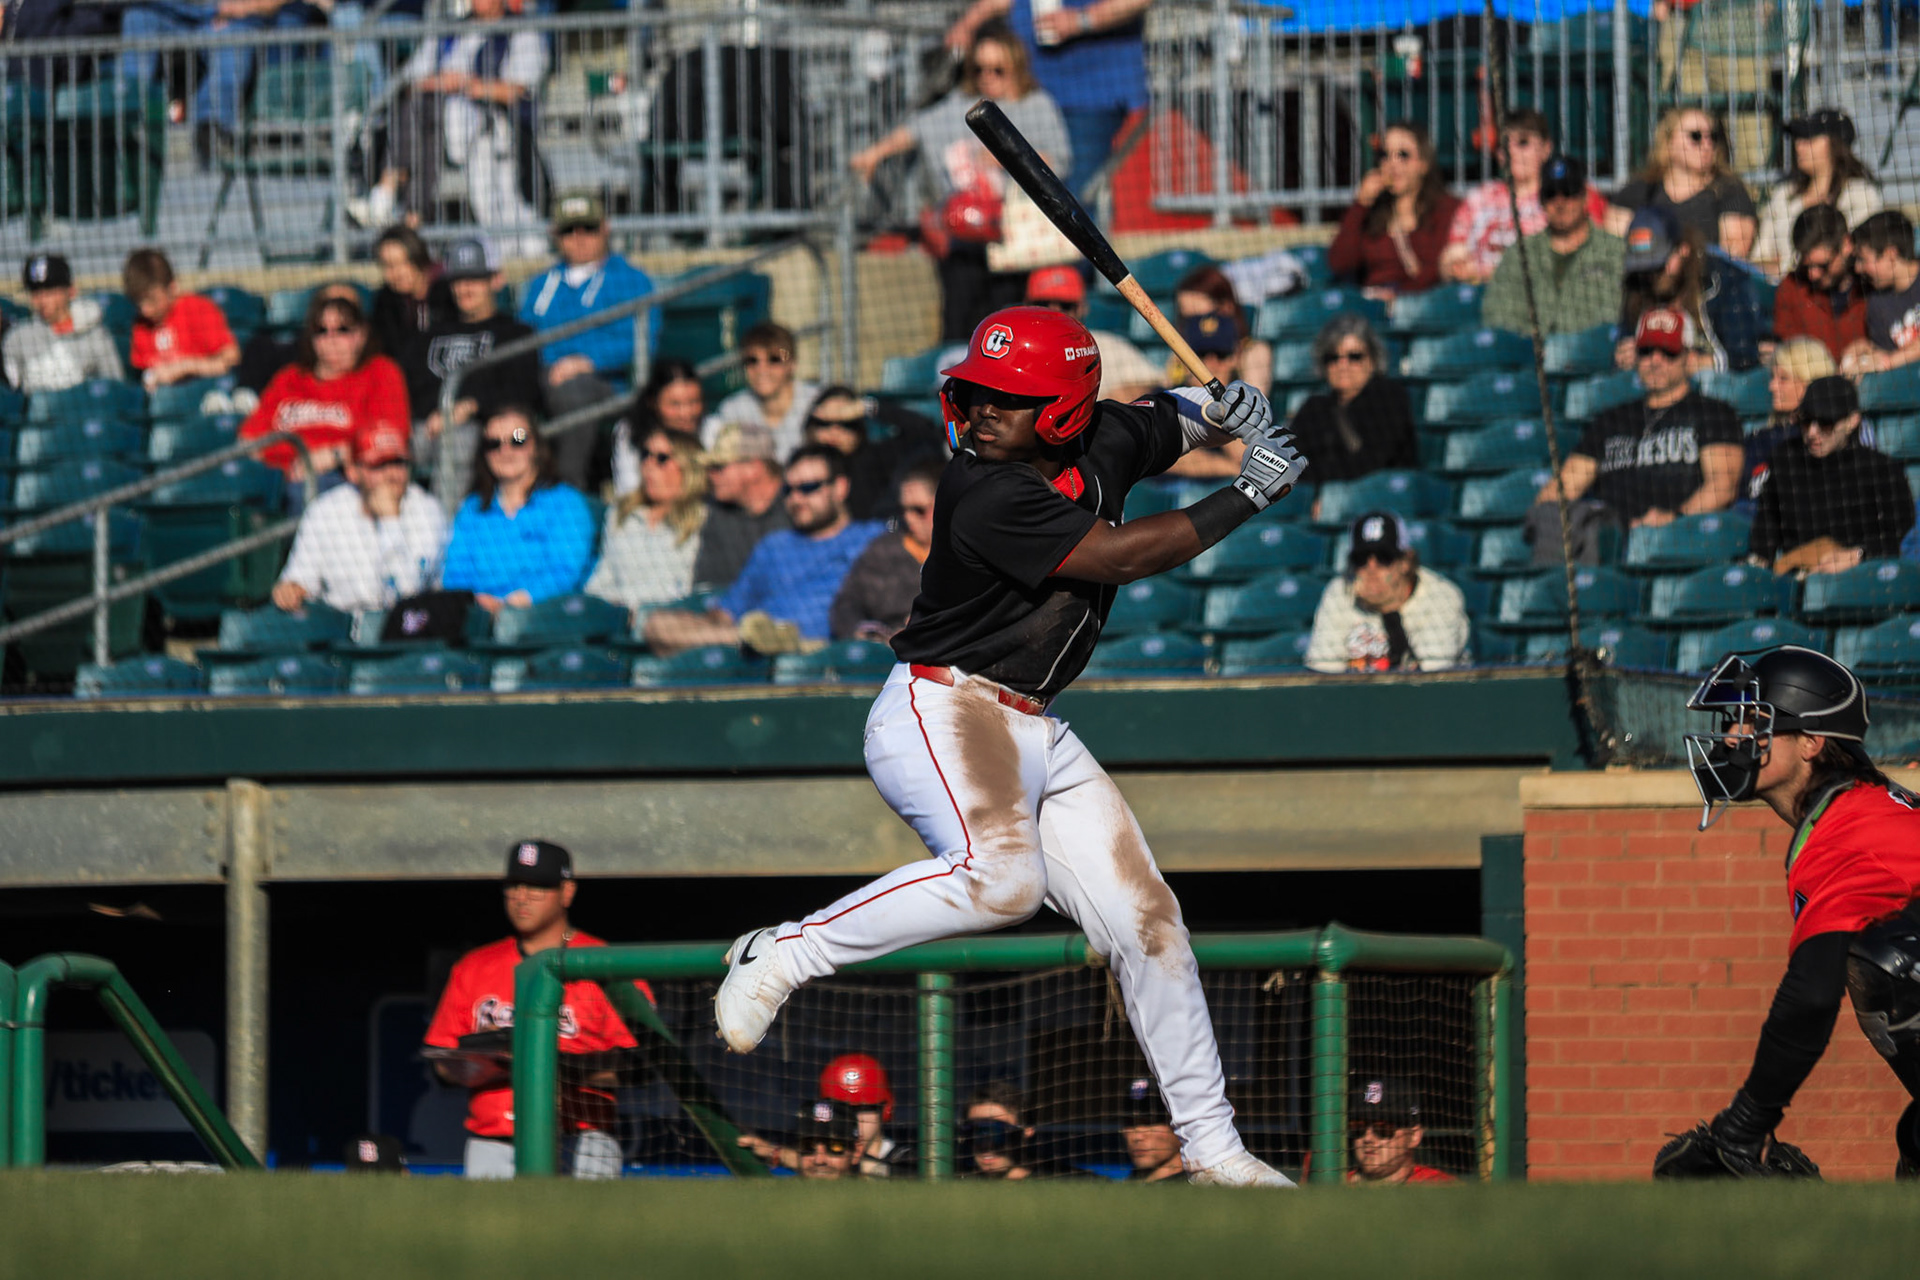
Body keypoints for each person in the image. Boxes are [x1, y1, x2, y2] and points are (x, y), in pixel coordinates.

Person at [708, 304, 1306, 1187]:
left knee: (1153, 924)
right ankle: (786, 952)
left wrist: (1223, 409)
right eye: (977, 392)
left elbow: (1163, 420)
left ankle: (1215, 1151)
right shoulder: (985, 488)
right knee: (1005, 881)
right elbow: (1121, 556)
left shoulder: (1095, 433)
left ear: (1063, 410)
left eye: (1007, 397)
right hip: (941, 709)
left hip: (1033, 721)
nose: (981, 410)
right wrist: (1247, 490)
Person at [1659, 646, 1920, 1181]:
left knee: (1884, 958)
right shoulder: (1860, 809)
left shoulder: (1846, 833)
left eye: (1753, 721)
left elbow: (1811, 995)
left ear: (1811, 743)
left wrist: (1746, 1122)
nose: (1732, 737)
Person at [423, 839, 652, 1180]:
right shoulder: (474, 966)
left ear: (567, 892)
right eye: (514, 885)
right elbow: (441, 1062)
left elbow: (643, 1065)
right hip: (494, 1141)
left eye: (537, 886)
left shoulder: (604, 961)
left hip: (582, 1137)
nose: (522, 896)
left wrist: (549, 1064)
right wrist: (488, 1060)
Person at [850, 24, 1070, 343]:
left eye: (998, 69)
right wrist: (875, 154)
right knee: (959, 323)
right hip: (967, 239)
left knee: (1007, 320)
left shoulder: (1036, 105)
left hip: (1015, 237)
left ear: (1015, 68)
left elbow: (1060, 161)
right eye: (980, 69)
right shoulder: (961, 105)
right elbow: (918, 129)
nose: (987, 77)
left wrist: (1010, 157)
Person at [1533, 307, 1743, 561]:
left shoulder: (1713, 413)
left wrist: (1674, 517)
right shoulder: (1612, 420)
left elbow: (1723, 486)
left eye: (1668, 352)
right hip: (1608, 545)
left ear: (1688, 356)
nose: (1655, 360)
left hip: (1679, 542)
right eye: (1646, 351)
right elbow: (1564, 486)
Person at [642, 445, 883, 656]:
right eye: (789, 491)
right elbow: (724, 615)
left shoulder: (874, 538)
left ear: (840, 488)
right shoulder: (773, 546)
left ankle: (786, 642)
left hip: (835, 652)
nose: (797, 499)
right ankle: (769, 640)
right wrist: (730, 631)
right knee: (656, 624)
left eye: (808, 487)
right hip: (756, 648)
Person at [350, 0, 546, 244]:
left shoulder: (521, 31)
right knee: (420, 121)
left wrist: (465, 83)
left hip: (491, 122)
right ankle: (409, 217)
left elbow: (516, 90)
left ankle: (388, 194)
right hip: (436, 121)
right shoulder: (448, 30)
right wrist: (442, 83)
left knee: (421, 117)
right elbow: (412, 80)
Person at [518, 190, 660, 485]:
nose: (579, 238)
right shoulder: (541, 284)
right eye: (569, 230)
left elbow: (643, 340)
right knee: (509, 395)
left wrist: (586, 361)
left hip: (608, 382)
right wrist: (554, 365)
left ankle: (569, 489)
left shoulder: (631, 280)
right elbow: (523, 337)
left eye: (589, 229)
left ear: (605, 229)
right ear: (554, 235)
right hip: (545, 376)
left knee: (574, 393)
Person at [943, 0, 1147, 202]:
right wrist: (968, 24)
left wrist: (1081, 20)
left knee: (1073, 201)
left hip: (1092, 93)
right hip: (1030, 93)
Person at [240, 293, 410, 498]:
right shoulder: (290, 378)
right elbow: (249, 439)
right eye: (321, 331)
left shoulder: (380, 372)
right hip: (279, 478)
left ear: (361, 335)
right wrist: (291, 461)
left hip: (344, 478)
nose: (332, 339)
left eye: (342, 330)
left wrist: (334, 455)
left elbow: (389, 439)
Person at [270, 422, 448, 615]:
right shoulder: (326, 509)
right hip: (339, 627)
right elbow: (299, 576)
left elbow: (404, 592)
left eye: (398, 463)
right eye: (378, 465)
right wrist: (291, 589)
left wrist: (391, 521)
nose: (391, 475)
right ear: (353, 471)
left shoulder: (427, 510)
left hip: (407, 627)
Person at [1750, 376, 1914, 575]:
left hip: (1862, 577)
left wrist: (1859, 555)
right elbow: (1767, 524)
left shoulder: (1882, 470)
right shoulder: (1785, 459)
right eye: (1806, 421)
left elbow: (1901, 534)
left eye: (1825, 424)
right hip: (1797, 576)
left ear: (1852, 421)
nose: (1812, 432)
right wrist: (1758, 563)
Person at [117, 0, 312, 167]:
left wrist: (246, 7)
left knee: (232, 44)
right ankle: (122, 120)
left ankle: (210, 129)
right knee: (138, 18)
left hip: (233, 17)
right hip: (173, 11)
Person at [441, 407, 596, 613]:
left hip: (545, 618)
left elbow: (564, 572)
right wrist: (477, 604)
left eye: (518, 439)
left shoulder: (566, 504)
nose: (506, 451)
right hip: (477, 618)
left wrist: (512, 605)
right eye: (494, 443)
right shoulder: (471, 510)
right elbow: (455, 574)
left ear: (536, 446)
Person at [1442, 109, 1609, 286]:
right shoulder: (1479, 198)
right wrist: (1457, 268)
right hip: (1480, 293)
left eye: (1523, 142)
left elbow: (1586, 253)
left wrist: (1494, 273)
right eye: (1504, 145)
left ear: (1546, 148)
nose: (1512, 152)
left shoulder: (1571, 194)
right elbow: (1451, 257)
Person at [1305, 511, 1470, 674]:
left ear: (1405, 561)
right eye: (1361, 559)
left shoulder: (1440, 597)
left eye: (1384, 557)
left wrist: (1391, 619)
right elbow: (1322, 676)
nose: (1371, 568)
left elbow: (1429, 684)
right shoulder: (1340, 592)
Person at [1481, 155, 1625, 337]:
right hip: (1529, 359)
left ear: (1585, 197)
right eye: (1551, 194)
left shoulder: (1614, 250)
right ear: (1541, 200)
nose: (1560, 202)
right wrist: (1531, 343)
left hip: (1596, 356)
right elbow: (1497, 314)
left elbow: (1621, 313)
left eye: (1568, 192)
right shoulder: (1521, 253)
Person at [1616, 205, 1767, 373]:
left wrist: (1701, 363)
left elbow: (1746, 357)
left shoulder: (1725, 280)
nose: (1651, 276)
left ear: (1683, 249)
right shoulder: (1637, 283)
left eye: (1658, 266)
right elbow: (1622, 343)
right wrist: (1624, 356)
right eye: (1643, 267)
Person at [584, 426, 708, 618]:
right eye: (645, 455)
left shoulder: (702, 520)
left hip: (672, 624)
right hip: (617, 623)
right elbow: (601, 581)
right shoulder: (621, 514)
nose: (649, 464)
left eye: (661, 458)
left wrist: (641, 612)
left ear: (688, 466)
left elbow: (689, 588)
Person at [1605, 107, 1758, 261]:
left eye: (1713, 137)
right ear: (1669, 143)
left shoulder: (1728, 189)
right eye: (1695, 136)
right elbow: (1613, 248)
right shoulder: (1640, 189)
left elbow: (1734, 254)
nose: (1707, 144)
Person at [1328, 122, 1461, 295]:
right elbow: (1339, 263)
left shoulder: (1446, 208)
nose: (1393, 164)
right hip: (1373, 305)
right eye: (1385, 155)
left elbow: (1438, 267)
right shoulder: (1371, 212)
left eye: (1403, 155)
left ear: (1423, 164)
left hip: (1425, 304)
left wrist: (1399, 298)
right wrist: (1360, 205)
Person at [1284, 314, 1418, 485]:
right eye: (1332, 358)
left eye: (1354, 356)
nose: (1343, 365)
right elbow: (1292, 461)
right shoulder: (1314, 408)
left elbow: (1375, 463)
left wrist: (1327, 493)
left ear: (1372, 360)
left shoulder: (1390, 398)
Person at [735, 1054, 916, 1179]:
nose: (850, 1117)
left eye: (862, 1108)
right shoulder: (815, 1155)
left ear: (885, 1109)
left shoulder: (906, 1158)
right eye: (840, 1108)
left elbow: (902, 1176)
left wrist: (785, 1156)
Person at [1751, 109, 1883, 280]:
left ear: (1835, 144)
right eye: (1798, 138)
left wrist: (1783, 265)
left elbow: (1851, 257)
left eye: (1809, 138)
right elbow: (1757, 259)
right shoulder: (1783, 195)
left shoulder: (1860, 195)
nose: (1799, 145)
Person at [829, 460, 940, 642]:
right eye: (904, 509)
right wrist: (865, 633)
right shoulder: (882, 552)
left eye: (919, 510)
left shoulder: (966, 552)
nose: (908, 518)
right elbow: (846, 605)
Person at [801, 386, 940, 524]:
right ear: (812, 427)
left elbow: (927, 432)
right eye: (825, 423)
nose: (834, 430)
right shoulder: (799, 472)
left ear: (859, 429)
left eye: (846, 423)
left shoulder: (877, 458)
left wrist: (866, 408)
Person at [1024, 264, 1154, 401]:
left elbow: (1158, 384)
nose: (1055, 313)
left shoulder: (1108, 345)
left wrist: (1116, 402)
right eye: (1043, 304)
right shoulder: (1018, 350)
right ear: (1027, 305)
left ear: (1082, 308)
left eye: (1065, 306)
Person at [1739, 337, 1838, 515]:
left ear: (1810, 383)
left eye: (1783, 378)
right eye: (1773, 377)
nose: (1772, 386)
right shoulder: (1758, 439)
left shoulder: (1832, 438)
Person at [3, 253, 123, 392]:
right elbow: (13, 392)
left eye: (49, 291)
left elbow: (114, 386)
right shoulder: (17, 338)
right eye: (35, 292)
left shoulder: (95, 334)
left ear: (70, 290)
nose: (41, 301)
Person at [122, 248, 239, 389]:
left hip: (205, 387)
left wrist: (185, 367)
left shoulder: (199, 309)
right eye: (139, 303)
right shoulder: (141, 324)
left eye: (152, 301)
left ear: (172, 288)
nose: (145, 310)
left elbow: (232, 358)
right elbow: (143, 369)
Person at [691, 423, 789, 590]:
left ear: (754, 467)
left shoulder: (798, 506)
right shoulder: (719, 513)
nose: (711, 475)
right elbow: (708, 586)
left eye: (719, 467)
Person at [706, 323, 820, 463]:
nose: (762, 369)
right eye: (752, 361)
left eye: (774, 359)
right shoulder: (732, 410)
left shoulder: (815, 402)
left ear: (792, 364)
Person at [1771, 206, 1871, 363]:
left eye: (1822, 266)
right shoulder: (1791, 289)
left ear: (1846, 245)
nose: (1812, 275)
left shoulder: (1872, 287)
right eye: (1806, 265)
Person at [1162, 312, 1248, 478]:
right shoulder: (1167, 399)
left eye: (1221, 354)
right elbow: (1163, 455)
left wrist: (1218, 402)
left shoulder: (1247, 404)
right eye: (1200, 355)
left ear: (1235, 357)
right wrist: (1227, 467)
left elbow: (1245, 458)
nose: (1210, 364)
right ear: (1181, 359)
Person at [1173, 264, 1272, 400]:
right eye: (1186, 317)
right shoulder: (1180, 353)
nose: (1192, 326)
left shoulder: (1254, 351)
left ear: (1226, 307)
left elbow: (1254, 405)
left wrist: (1229, 368)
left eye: (1199, 317)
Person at [612, 358, 707, 499]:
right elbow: (629, 489)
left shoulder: (712, 428)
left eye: (693, 402)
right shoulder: (629, 431)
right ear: (653, 403)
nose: (686, 413)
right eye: (675, 404)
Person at [369, 226, 454, 369]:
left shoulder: (448, 291)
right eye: (388, 266)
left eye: (403, 263)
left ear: (418, 258)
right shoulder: (386, 301)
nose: (396, 273)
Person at [1346, 1077, 1455, 1184]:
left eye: (1383, 1129)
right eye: (1358, 1127)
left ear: (1414, 1136)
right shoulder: (1337, 1185)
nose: (1368, 1138)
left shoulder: (1440, 1187)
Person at [1850, 210, 1920, 373]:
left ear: (1890, 255)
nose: (1857, 268)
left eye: (1863, 259)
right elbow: (1884, 355)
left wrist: (1889, 361)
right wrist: (1866, 353)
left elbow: (1889, 360)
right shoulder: (1878, 304)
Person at [1119, 1076, 1183, 1183]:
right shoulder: (1121, 1189)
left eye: (1150, 1123)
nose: (1137, 1137)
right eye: (1130, 1123)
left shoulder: (1204, 1185)